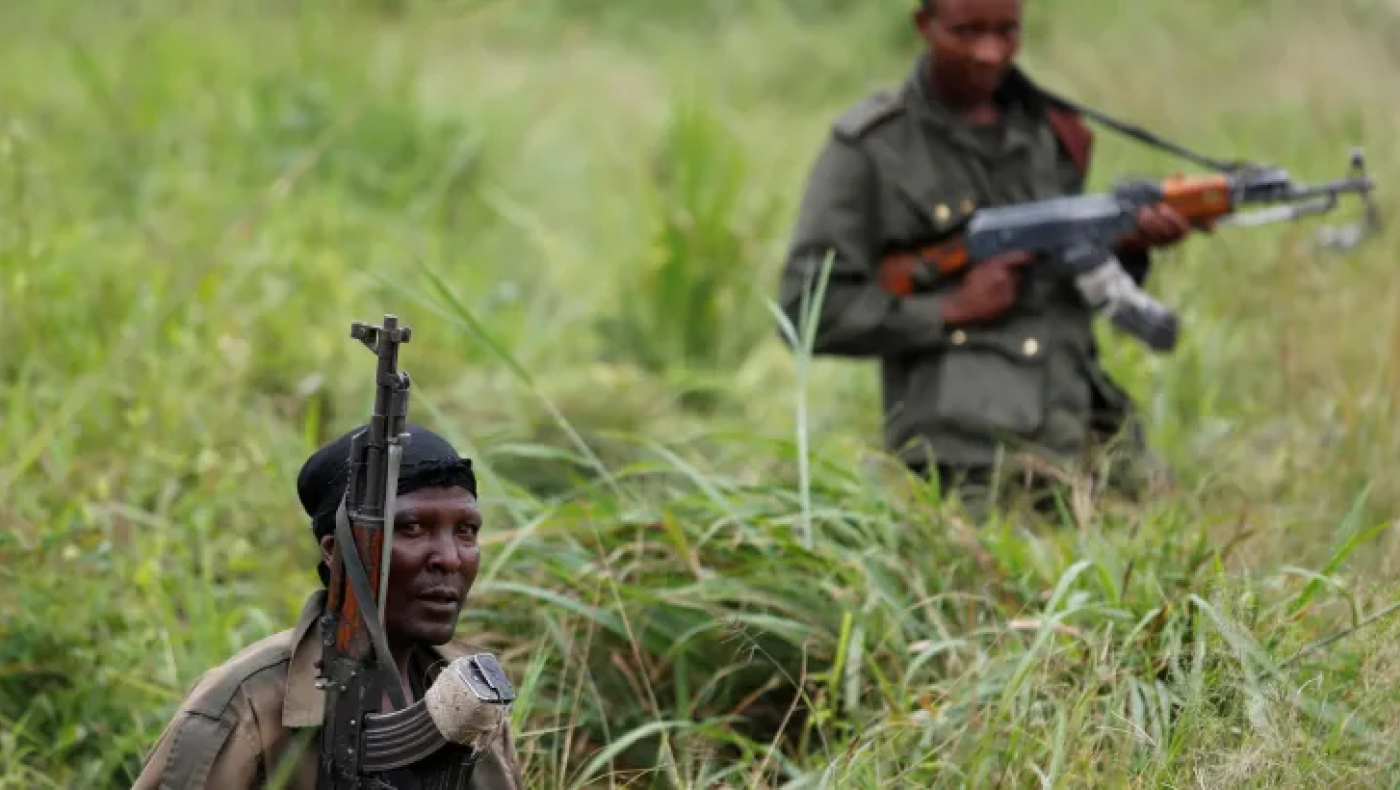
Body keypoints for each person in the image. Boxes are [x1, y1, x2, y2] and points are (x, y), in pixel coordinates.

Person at [776, 0, 1206, 517]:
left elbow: (1062, 283)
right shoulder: (873, 148)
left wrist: (1126, 247)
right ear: (924, 25)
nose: (989, 52)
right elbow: (806, 307)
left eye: (1007, 30)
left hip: (1086, 433)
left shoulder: (1049, 130)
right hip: (965, 462)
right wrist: (951, 309)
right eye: (967, 31)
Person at [132, 424, 524, 789]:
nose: (450, 558)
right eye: (412, 528)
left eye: (466, 531)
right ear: (337, 551)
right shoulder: (244, 702)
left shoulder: (472, 688)